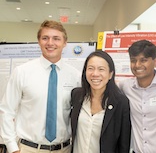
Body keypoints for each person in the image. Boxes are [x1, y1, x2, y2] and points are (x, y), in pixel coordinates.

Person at [0, 20, 81, 153]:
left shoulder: (75, 76)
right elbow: (7, 111)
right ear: (39, 41)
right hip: (28, 149)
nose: (50, 43)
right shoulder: (22, 72)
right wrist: (12, 147)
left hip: (64, 149)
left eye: (56, 38)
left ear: (65, 43)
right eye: (45, 38)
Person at [119, 40, 156, 153]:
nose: (137, 65)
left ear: (155, 62)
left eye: (143, 60)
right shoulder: (125, 86)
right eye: (133, 61)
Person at [70, 50, 131, 153]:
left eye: (101, 69)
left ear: (110, 74)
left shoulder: (120, 102)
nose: (95, 74)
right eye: (90, 69)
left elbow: (124, 143)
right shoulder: (77, 95)